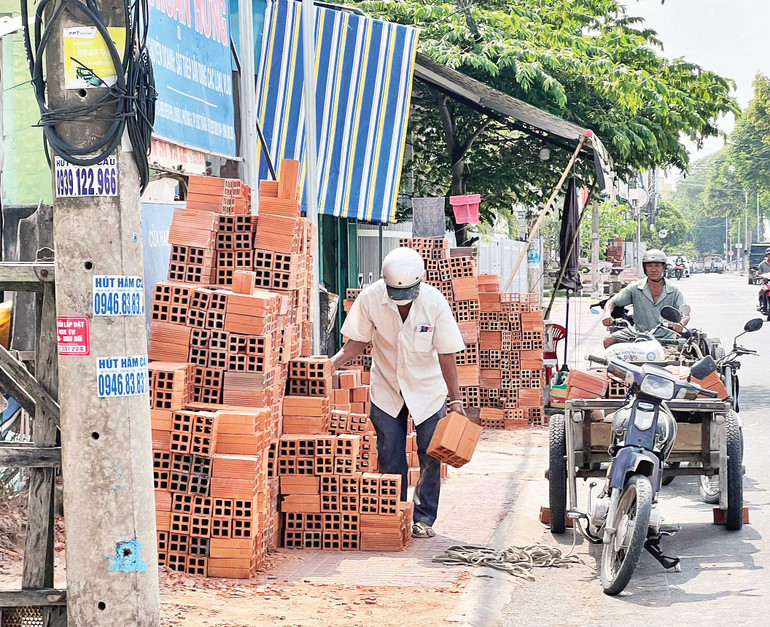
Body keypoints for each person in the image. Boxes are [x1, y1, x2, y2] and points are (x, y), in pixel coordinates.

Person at [330, 247, 466, 539]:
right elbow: (357, 342)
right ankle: (395, 512)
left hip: (426, 388)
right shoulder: (370, 299)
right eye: (395, 294)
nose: (401, 302)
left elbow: (446, 354)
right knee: (390, 453)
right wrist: (328, 366)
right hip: (387, 386)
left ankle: (423, 517)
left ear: (420, 282)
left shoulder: (434, 303)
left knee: (430, 453)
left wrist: (455, 401)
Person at [602, 248, 690, 348]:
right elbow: (612, 302)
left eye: (657, 266)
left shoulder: (673, 290)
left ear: (663, 267)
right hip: (638, 334)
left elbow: (685, 314)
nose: (653, 269)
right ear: (645, 268)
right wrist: (607, 315)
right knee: (608, 341)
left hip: (666, 337)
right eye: (649, 265)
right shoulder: (635, 287)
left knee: (673, 358)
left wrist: (680, 324)